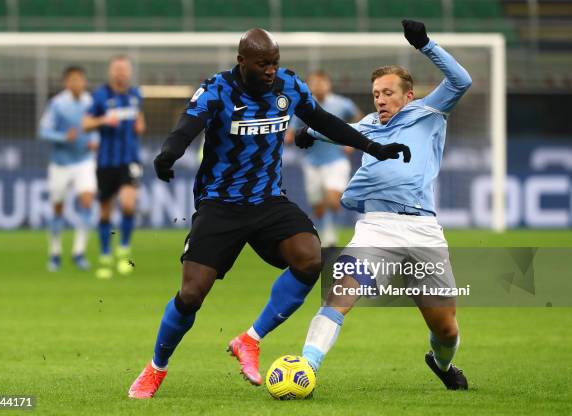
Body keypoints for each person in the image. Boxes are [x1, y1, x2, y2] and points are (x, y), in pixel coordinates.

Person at [127, 28, 411, 399]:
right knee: (192, 294)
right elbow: (188, 126)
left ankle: (250, 339)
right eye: (263, 64)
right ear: (242, 61)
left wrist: (372, 146)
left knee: (310, 259)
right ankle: (155, 369)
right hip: (221, 204)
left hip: (268, 201)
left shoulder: (288, 85)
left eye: (274, 63)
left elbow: (324, 120)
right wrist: (169, 154)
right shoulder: (217, 89)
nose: (270, 71)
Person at [298, 20, 472, 391]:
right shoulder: (368, 126)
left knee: (445, 328)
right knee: (340, 292)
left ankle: (442, 363)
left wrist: (425, 45)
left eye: (388, 92)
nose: (380, 99)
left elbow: (461, 81)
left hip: (423, 230)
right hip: (376, 228)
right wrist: (307, 133)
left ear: (408, 96)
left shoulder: (429, 113)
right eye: (376, 93)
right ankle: (306, 366)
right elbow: (335, 127)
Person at [83, 55, 146, 279]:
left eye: (124, 69)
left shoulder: (135, 95)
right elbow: (85, 123)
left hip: (130, 160)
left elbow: (140, 121)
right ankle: (105, 255)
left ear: (129, 72)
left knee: (128, 204)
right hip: (106, 162)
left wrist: (140, 124)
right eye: (117, 69)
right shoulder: (100, 96)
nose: (121, 73)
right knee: (105, 209)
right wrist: (103, 121)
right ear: (111, 72)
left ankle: (124, 250)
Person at [284, 70, 362, 247]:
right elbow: (292, 130)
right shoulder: (303, 107)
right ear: (309, 86)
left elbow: (358, 118)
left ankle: (330, 238)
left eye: (322, 82)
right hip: (311, 163)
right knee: (318, 208)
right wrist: (289, 137)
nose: (318, 86)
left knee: (333, 201)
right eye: (314, 83)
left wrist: (351, 141)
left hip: (336, 160)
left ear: (328, 84)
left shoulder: (343, 104)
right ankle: (323, 232)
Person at [38, 66, 98, 272]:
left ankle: (78, 252)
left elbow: (96, 127)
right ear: (66, 82)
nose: (77, 83)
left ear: (84, 81)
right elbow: (43, 131)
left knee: (88, 201)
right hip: (60, 163)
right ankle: (54, 252)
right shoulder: (57, 104)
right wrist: (64, 137)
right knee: (57, 207)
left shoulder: (91, 102)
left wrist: (95, 140)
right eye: (72, 80)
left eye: (80, 79)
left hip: (84, 161)